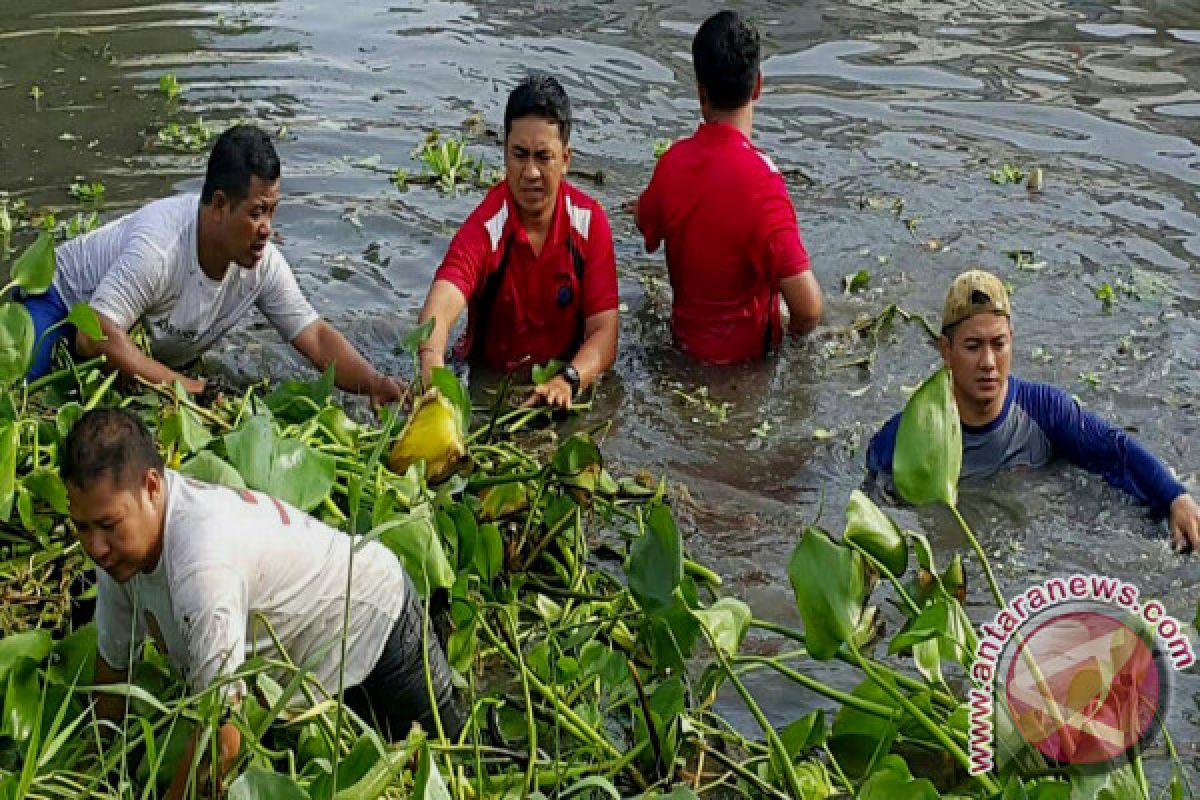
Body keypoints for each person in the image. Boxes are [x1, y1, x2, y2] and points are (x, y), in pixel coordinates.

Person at [63, 408, 461, 799]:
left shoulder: (202, 566)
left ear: (152, 486)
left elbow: (222, 739)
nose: (94, 547)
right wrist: (94, 769)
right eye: (82, 527)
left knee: (453, 764)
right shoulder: (118, 556)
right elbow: (114, 667)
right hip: (299, 667)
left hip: (375, 624)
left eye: (108, 525)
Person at [21, 125, 404, 407]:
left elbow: (316, 337)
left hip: (142, 344)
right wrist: (193, 391)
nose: (267, 229)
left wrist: (373, 382)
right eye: (256, 213)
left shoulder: (260, 262)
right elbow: (94, 336)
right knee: (23, 396)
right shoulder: (161, 247)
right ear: (219, 205)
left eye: (272, 212)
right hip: (59, 305)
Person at [866, 269, 1200, 554]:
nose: (988, 363)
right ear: (946, 350)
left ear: (1011, 341)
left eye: (998, 345)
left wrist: (1175, 498)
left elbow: (1114, 451)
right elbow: (872, 505)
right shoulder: (904, 436)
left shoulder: (1045, 409)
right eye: (972, 346)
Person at [631, 10, 823, 364]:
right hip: (750, 369)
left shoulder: (672, 164)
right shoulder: (763, 184)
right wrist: (791, 346)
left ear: (700, 91)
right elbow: (809, 307)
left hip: (684, 356)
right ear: (758, 86)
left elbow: (645, 220)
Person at [416, 74, 619, 409]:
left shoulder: (589, 223)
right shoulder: (486, 228)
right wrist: (431, 375)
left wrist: (569, 379)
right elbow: (438, 309)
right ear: (505, 154)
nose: (530, 172)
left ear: (565, 160)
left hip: (562, 384)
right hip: (488, 382)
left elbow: (604, 333)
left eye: (543, 157)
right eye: (520, 154)